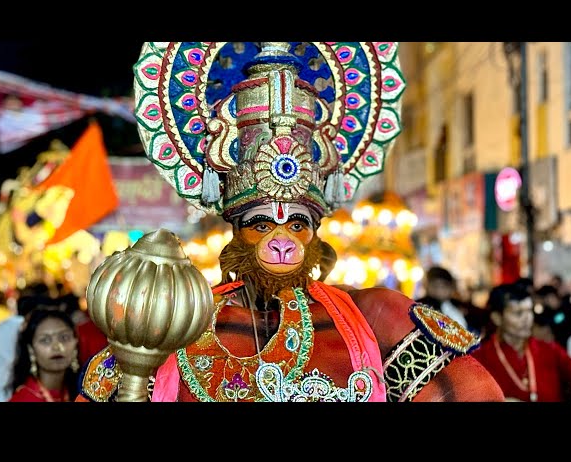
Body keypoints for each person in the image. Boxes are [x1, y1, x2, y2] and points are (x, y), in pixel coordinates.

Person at [77, 41, 504, 402]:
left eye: (298, 223)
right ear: (236, 230)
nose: (283, 239)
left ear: (316, 232)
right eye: (262, 224)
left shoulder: (374, 317)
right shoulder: (178, 320)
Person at [471, 283, 571, 402]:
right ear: (497, 318)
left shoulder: (549, 350)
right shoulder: (480, 359)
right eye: (518, 313)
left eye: (529, 311)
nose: (527, 318)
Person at [9, 308, 80, 402]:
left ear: (75, 342)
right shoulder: (23, 398)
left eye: (64, 337)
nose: (57, 346)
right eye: (45, 340)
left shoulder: (81, 392)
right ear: (31, 349)